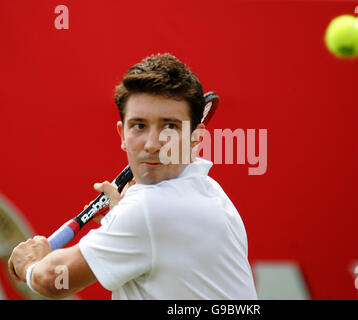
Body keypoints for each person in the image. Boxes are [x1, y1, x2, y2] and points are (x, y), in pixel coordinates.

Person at [8, 53, 257, 300]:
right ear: (122, 134)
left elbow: (55, 280)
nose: (151, 143)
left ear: (197, 137)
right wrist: (120, 215)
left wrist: (31, 264)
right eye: (139, 125)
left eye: (169, 126)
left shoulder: (148, 210)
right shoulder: (211, 192)